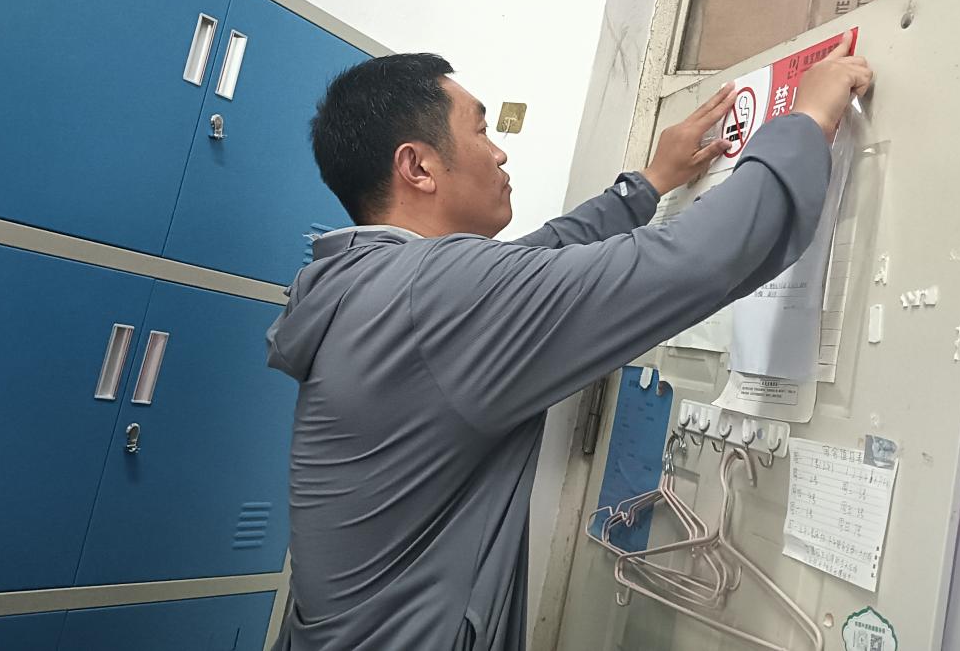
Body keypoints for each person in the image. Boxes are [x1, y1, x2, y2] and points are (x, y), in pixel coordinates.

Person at [266, 34, 872, 650]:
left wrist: (648, 184)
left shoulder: (372, 284)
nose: (499, 152)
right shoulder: (434, 295)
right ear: (417, 167)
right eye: (481, 130)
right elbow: (694, 260)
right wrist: (806, 119)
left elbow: (543, 256)